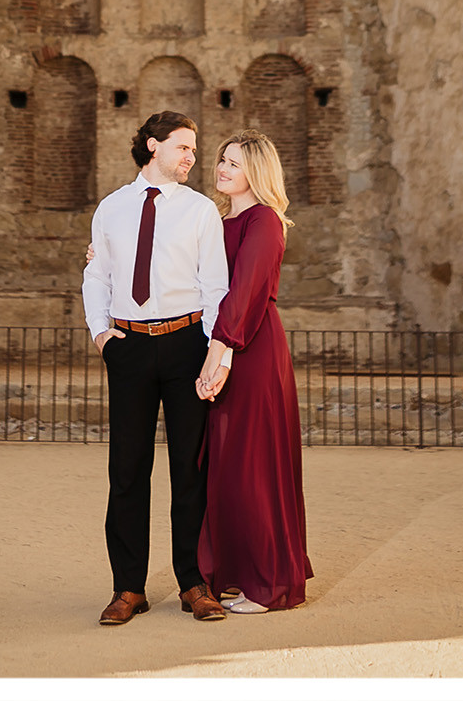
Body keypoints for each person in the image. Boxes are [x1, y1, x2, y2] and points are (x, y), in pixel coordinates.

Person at [81, 111, 232, 626]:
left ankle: (193, 583)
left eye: (194, 148)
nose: (192, 156)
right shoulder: (111, 208)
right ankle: (129, 588)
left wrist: (213, 350)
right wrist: (102, 335)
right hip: (129, 347)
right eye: (183, 147)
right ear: (152, 146)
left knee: (189, 469)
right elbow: (96, 275)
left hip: (188, 343)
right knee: (127, 471)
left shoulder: (201, 211)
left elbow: (216, 287)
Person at [194, 132, 313, 613]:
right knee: (224, 464)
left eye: (234, 163)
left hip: (252, 348)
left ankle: (268, 583)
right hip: (225, 344)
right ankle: (230, 571)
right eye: (222, 160)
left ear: (257, 172)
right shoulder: (220, 220)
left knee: (253, 466)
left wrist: (217, 353)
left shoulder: (264, 221)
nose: (222, 169)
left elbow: (246, 292)